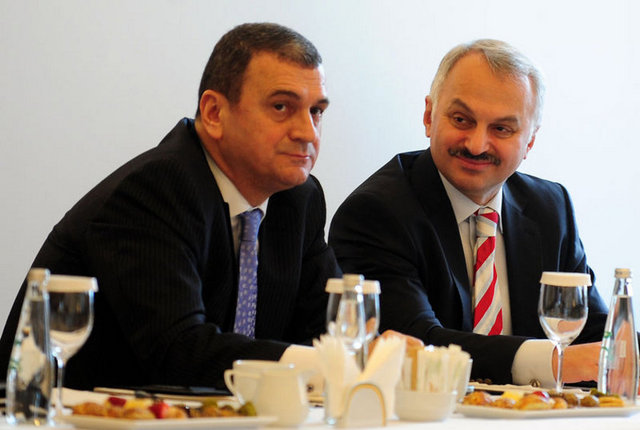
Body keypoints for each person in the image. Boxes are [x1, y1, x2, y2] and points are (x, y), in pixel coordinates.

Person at [0, 22, 343, 391]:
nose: (308, 132)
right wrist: (324, 364)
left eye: (316, 111)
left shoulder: (298, 200)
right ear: (214, 112)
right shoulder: (155, 190)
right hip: (60, 412)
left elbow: (329, 330)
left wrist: (362, 352)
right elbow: (181, 353)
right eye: (281, 107)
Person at [329, 39, 610, 388]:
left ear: (530, 141)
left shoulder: (550, 208)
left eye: (501, 129)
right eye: (462, 120)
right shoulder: (376, 212)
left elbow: (594, 335)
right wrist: (554, 362)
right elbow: (414, 345)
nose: (476, 145)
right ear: (429, 116)